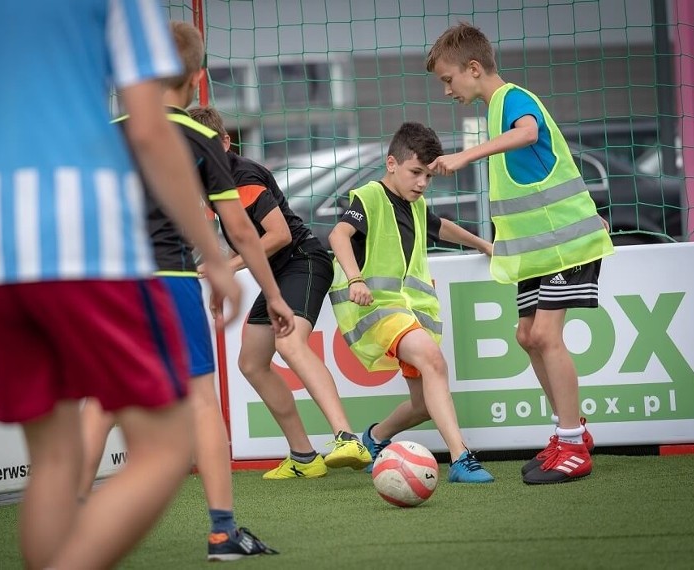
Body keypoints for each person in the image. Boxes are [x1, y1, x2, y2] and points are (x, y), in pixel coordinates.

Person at [0, 2, 243, 568]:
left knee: (52, 462)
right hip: (85, 245)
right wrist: (214, 252)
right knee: (166, 447)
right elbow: (150, 127)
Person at [78, 21, 291, 561]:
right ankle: (223, 532)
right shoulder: (199, 138)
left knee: (102, 402)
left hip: (109, 284)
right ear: (198, 78)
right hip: (170, 282)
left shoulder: (107, 133)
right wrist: (276, 296)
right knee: (201, 402)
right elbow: (240, 230)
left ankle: (70, 519)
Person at [426, 21, 613, 484]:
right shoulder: (492, 111)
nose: (447, 91)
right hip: (539, 253)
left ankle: (572, 445)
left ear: (474, 68)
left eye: (449, 80)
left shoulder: (512, 98)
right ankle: (569, 432)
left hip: (567, 244)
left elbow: (528, 133)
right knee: (527, 336)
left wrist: (466, 156)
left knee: (546, 336)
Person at [189, 105, 373, 479]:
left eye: (207, 147)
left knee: (290, 344)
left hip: (304, 261)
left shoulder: (244, 175)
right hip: (275, 274)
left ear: (225, 142)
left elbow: (279, 235)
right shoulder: (208, 185)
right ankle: (304, 457)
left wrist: (227, 267)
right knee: (251, 363)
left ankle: (348, 438)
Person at [328, 122, 495, 484]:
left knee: (422, 405)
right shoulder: (370, 196)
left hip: (410, 311)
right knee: (434, 361)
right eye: (415, 172)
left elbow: (442, 226)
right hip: (377, 308)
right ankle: (461, 457)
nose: (422, 183)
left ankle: (372, 439)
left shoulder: (416, 206)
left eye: (428, 177)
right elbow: (338, 234)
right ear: (391, 163)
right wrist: (355, 279)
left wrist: (484, 245)